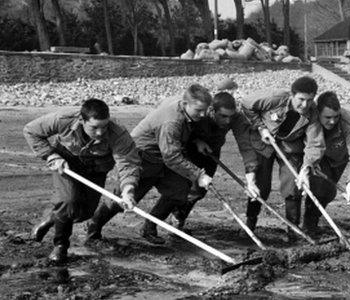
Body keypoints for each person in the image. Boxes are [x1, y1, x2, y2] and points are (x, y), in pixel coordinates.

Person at [86, 84, 213, 245]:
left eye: (205, 110)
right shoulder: (171, 122)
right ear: (185, 103)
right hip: (142, 156)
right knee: (125, 197)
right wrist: (199, 175)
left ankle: (149, 227)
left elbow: (175, 143)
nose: (202, 115)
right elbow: (172, 157)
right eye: (198, 110)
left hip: (164, 154)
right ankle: (93, 228)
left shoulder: (183, 107)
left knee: (178, 190)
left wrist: (196, 139)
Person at [24, 98, 141, 261]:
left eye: (104, 126)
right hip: (66, 164)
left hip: (96, 170)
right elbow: (31, 131)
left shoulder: (118, 134)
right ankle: (61, 246)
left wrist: (128, 190)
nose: (100, 133)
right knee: (68, 200)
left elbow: (128, 163)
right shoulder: (63, 120)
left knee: (84, 213)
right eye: (94, 127)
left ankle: (52, 217)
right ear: (82, 120)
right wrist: (51, 155)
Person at [236, 76, 326, 235]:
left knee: (293, 186)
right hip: (263, 142)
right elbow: (246, 105)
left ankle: (293, 229)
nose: (305, 105)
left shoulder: (312, 113)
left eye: (310, 100)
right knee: (261, 187)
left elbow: (315, 143)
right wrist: (261, 127)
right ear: (292, 95)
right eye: (301, 99)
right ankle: (250, 223)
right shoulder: (275, 98)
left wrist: (307, 167)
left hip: (289, 147)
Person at [167, 91, 252, 233]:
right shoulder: (200, 113)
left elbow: (245, 145)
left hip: (212, 150)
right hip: (188, 148)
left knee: (200, 190)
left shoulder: (235, 118)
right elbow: (181, 131)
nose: (227, 121)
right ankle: (167, 219)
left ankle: (178, 216)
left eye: (230, 117)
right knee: (183, 187)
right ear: (212, 110)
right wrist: (196, 140)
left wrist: (251, 173)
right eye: (223, 116)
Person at [302, 91, 350, 234]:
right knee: (318, 188)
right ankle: (308, 225)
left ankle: (314, 219)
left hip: (338, 158)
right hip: (317, 157)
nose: (332, 121)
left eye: (336, 116)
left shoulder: (347, 121)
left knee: (329, 192)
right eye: (327, 117)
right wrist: (309, 164)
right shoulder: (310, 118)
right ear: (318, 112)